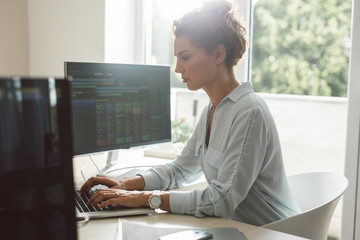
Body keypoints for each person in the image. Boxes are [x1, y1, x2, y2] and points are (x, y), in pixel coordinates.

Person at [80, 0, 301, 226]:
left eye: (185, 57)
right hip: (237, 228)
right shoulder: (213, 109)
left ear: (218, 54)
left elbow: (221, 200)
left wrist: (145, 199)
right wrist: (127, 183)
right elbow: (180, 170)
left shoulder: (250, 111)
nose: (177, 68)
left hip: (273, 232)